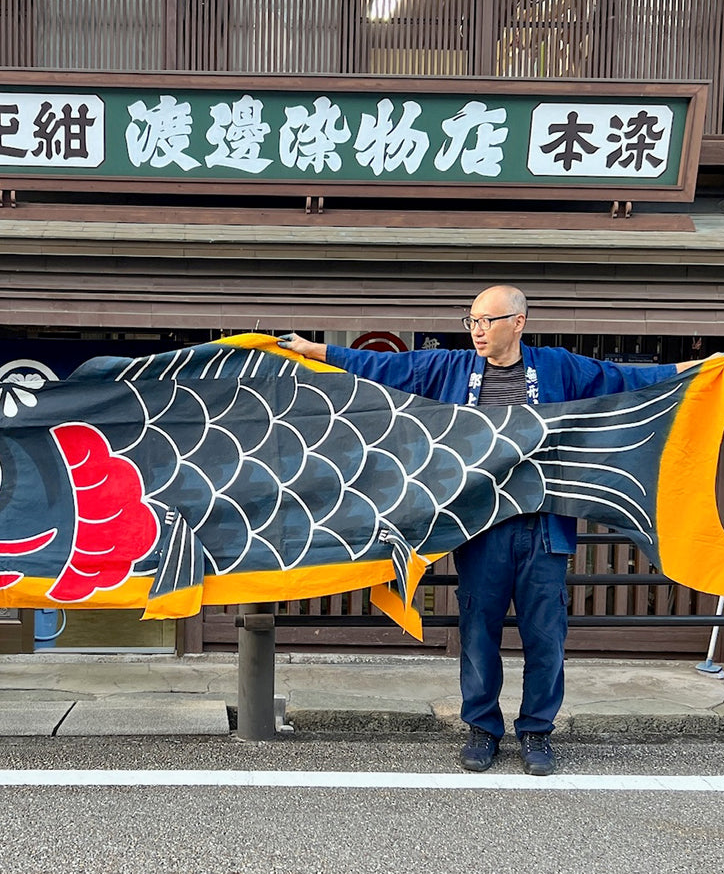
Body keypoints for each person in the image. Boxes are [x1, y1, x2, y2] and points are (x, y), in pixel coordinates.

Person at [279, 286, 700, 776]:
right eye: (472, 321)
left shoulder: (558, 367)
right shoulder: (453, 369)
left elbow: (622, 378)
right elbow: (387, 368)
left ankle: (537, 733)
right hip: (481, 526)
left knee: (546, 638)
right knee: (478, 635)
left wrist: (688, 370)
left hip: (544, 525)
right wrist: (318, 351)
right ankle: (482, 729)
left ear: (518, 323)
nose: (477, 330)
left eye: (487, 321)